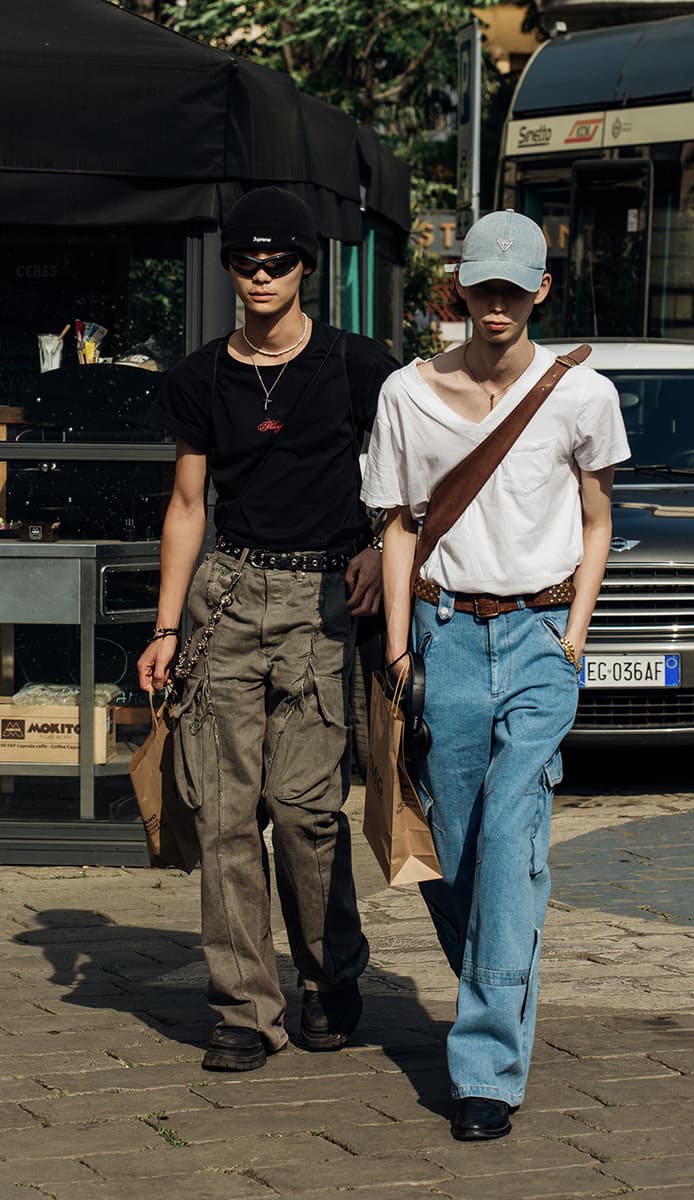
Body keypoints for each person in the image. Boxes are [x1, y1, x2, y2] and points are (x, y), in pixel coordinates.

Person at [361, 210, 630, 1140]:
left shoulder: (584, 396)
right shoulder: (407, 393)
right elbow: (397, 525)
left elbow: (598, 520)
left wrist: (576, 633)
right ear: (462, 288)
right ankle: (496, 973)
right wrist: (399, 650)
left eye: (517, 288)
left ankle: (485, 1073)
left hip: (540, 638)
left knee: (514, 833)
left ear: (542, 291)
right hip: (441, 634)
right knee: (455, 851)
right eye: (485, 286)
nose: (500, 303)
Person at [137, 186, 399, 1071]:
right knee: (222, 814)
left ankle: (331, 973)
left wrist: (377, 548)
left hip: (326, 600)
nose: (260, 273)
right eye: (246, 261)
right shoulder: (199, 376)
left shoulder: (361, 367)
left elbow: (411, 484)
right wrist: (166, 627)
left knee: (303, 809)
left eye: (276, 260)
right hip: (228, 595)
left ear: (303, 268)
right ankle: (246, 1008)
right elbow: (186, 504)